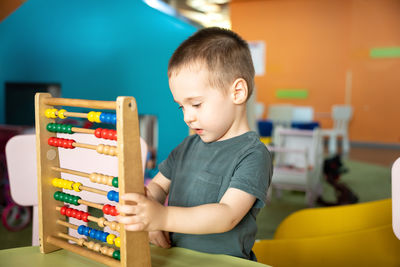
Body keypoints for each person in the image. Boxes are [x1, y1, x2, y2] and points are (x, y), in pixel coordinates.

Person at [117, 27, 272, 261]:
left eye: (196, 104)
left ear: (237, 92)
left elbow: (226, 215)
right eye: (182, 106)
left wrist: (161, 217)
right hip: (176, 257)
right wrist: (147, 211)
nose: (187, 117)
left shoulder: (252, 154)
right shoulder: (187, 146)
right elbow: (157, 187)